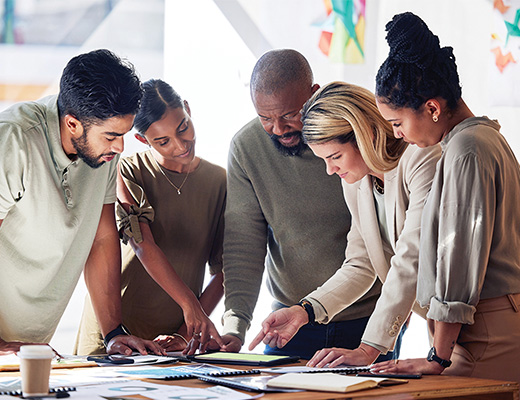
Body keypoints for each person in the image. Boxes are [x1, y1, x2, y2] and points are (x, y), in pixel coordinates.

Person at [0, 49, 163, 364]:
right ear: (72, 123)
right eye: (112, 136)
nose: (119, 147)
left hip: (25, 343)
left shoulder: (102, 153)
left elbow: (101, 239)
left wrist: (114, 332)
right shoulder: (10, 142)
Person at [248, 81, 440, 367]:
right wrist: (304, 311)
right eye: (323, 159)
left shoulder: (420, 159)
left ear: (365, 135)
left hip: (480, 312)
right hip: (441, 321)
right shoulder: (357, 181)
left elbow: (411, 259)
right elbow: (361, 264)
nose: (330, 169)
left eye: (335, 157)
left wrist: (368, 348)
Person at [372, 12, 520, 383]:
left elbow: (458, 254)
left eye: (397, 123)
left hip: (484, 331)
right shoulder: (483, 139)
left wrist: (437, 356)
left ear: (433, 108)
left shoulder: (466, 149)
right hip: (482, 325)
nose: (400, 135)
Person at [218, 49, 384, 360]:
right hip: (291, 321)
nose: (278, 129)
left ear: (313, 95)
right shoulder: (246, 148)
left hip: (369, 318)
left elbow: (387, 257)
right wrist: (235, 325)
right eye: (265, 118)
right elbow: (244, 244)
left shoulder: (350, 147)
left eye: (289, 115)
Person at [74, 79, 225, 355]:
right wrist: (190, 305)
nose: (181, 145)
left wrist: (186, 331)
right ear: (143, 140)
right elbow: (142, 244)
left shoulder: (219, 182)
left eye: (184, 128)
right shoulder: (125, 172)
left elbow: (224, 270)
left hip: (176, 337)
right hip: (115, 329)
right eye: (163, 141)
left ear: (188, 110)